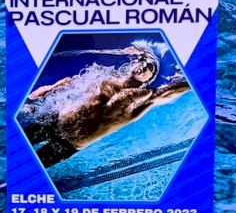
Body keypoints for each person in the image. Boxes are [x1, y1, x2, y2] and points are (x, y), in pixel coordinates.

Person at [20, 45, 191, 166]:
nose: (144, 65)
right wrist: (50, 89)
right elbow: (72, 87)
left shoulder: (140, 98)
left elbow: (167, 92)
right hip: (52, 122)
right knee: (13, 147)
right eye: (143, 62)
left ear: (148, 79)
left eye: (150, 68)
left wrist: (192, 81)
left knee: (27, 170)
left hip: (67, 144)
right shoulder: (105, 77)